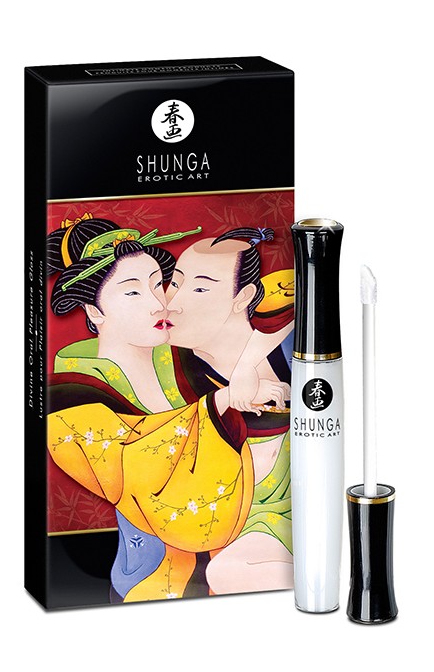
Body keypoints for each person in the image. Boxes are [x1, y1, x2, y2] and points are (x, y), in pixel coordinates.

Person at [45, 216, 287, 602]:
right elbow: (130, 467)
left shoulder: (180, 358)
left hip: (240, 557)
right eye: (132, 292)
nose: (160, 303)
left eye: (159, 284)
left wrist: (250, 376)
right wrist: (221, 402)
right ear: (94, 312)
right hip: (156, 579)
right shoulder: (72, 394)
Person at [165, 227, 294, 593]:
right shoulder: (166, 366)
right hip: (232, 521)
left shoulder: (287, 346)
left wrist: (245, 367)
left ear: (245, 297)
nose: (173, 302)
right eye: (175, 283)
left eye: (200, 288)